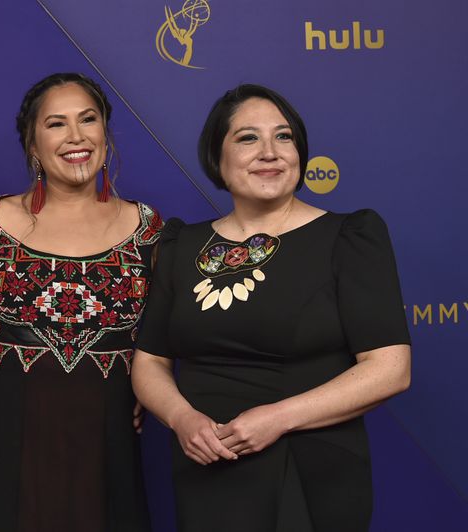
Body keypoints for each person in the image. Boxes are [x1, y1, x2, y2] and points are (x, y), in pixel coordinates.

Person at [132, 84, 411, 532]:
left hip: (311, 468)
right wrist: (181, 418)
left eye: (283, 137)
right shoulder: (182, 244)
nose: (270, 152)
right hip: (207, 469)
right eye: (247, 138)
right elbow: (150, 361)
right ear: (216, 158)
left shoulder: (349, 238)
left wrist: (276, 419)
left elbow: (390, 368)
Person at [0, 72, 157, 532]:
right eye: (56, 124)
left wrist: (155, 385)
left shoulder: (147, 229)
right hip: (11, 435)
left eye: (88, 119)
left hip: (106, 439)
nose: (76, 137)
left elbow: (162, 337)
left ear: (105, 134)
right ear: (32, 144)